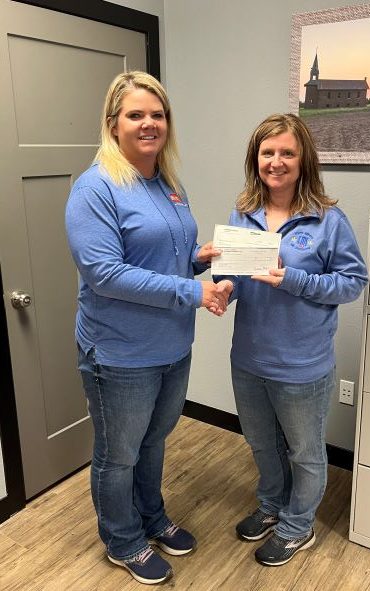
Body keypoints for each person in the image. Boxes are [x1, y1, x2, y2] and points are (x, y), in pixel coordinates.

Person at [65, 71, 230, 585]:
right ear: (113, 122)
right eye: (135, 114)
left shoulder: (167, 182)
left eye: (157, 114)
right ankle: (123, 539)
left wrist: (199, 259)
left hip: (172, 345)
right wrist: (193, 292)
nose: (148, 123)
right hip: (120, 353)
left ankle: (152, 517)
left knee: (154, 440)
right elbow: (106, 274)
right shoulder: (95, 188)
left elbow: (167, 256)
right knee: (118, 455)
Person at [224, 113, 368, 567]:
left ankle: (297, 526)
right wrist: (224, 289)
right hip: (249, 359)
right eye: (268, 152)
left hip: (302, 365)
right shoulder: (243, 213)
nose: (276, 161)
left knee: (305, 453)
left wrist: (295, 280)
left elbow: (352, 283)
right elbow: (237, 274)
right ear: (255, 158)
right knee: (262, 444)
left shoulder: (328, 219)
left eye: (287, 152)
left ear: (304, 159)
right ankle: (272, 505)